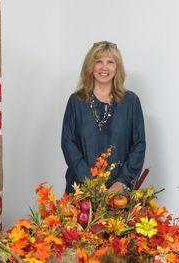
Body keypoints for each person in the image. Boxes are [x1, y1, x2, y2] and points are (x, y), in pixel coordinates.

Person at [61, 41, 146, 194]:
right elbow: (68, 144)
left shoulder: (131, 102)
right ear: (90, 66)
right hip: (82, 191)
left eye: (110, 62)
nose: (104, 67)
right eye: (98, 61)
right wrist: (90, 182)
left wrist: (121, 183)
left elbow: (138, 144)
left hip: (119, 194)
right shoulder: (76, 101)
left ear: (117, 68)